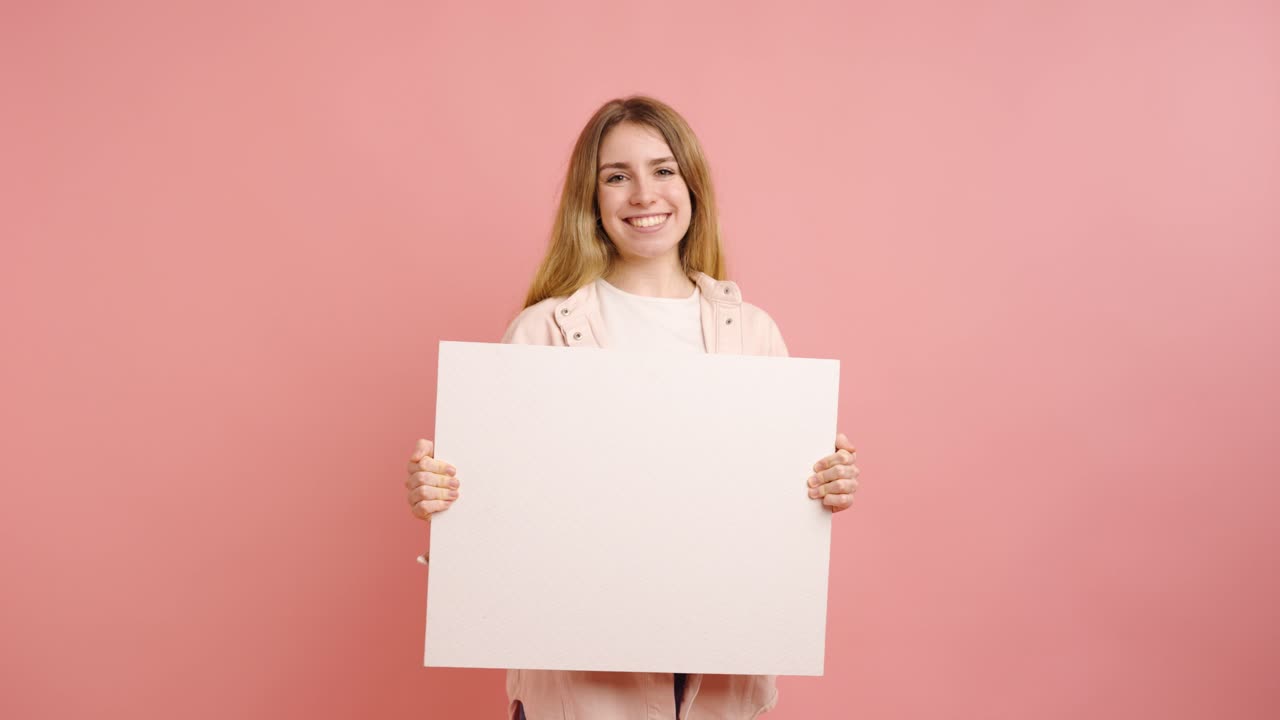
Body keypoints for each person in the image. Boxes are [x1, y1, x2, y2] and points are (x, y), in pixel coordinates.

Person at [404, 96, 862, 719]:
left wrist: (821, 489)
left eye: (663, 170)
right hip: (579, 695)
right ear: (591, 201)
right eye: (617, 177)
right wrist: (447, 503)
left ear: (692, 185)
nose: (643, 193)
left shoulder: (754, 335)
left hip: (719, 689)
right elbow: (503, 520)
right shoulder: (540, 332)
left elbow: (771, 514)